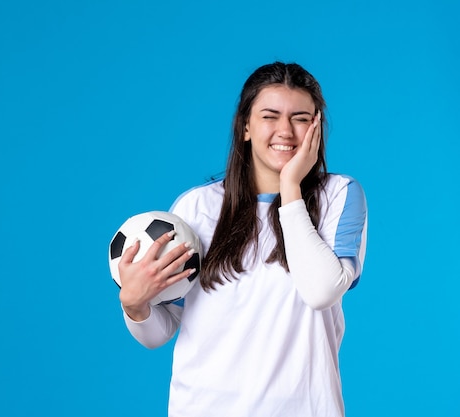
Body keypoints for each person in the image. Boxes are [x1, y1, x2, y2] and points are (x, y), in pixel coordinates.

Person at [116, 61, 368, 417]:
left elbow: (321, 291)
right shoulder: (197, 206)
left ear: (317, 128)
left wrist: (291, 187)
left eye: (300, 118)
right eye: (270, 116)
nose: (286, 130)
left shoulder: (339, 195)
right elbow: (159, 332)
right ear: (245, 127)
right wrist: (135, 306)